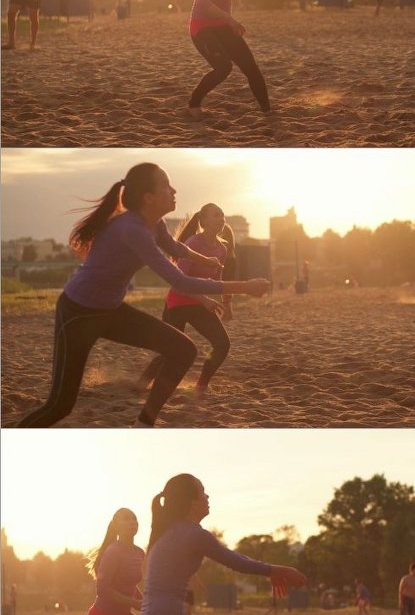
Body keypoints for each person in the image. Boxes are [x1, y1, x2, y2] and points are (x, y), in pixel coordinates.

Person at [19, 162, 268, 427]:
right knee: (60, 406)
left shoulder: (155, 223)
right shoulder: (132, 230)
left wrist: (204, 259)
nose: (174, 190)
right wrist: (245, 287)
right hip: (78, 313)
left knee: (183, 349)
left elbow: (175, 247)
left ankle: (144, 422)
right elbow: (179, 280)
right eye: (166, 186)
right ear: (148, 197)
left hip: (111, 311)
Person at [137, 473, 308, 615]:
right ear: (190, 500)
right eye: (202, 491)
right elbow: (236, 561)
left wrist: (274, 572)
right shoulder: (194, 534)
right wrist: (281, 569)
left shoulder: (168, 532)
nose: (207, 496)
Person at [139, 202, 236, 400]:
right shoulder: (193, 243)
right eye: (216, 215)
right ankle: (140, 384)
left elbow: (216, 282)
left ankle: (201, 387)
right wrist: (206, 301)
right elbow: (180, 282)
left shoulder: (222, 249)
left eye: (223, 215)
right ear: (203, 221)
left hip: (199, 304)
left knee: (222, 344)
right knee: (171, 350)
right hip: (178, 303)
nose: (221, 218)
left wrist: (227, 303)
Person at [188, 0, 271, 116]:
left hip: (223, 26)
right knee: (224, 67)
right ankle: (194, 103)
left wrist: (229, 24)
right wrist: (230, 20)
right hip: (201, 27)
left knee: (251, 67)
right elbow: (202, 2)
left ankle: (267, 111)